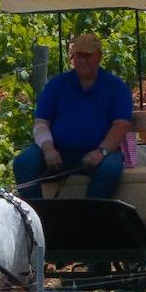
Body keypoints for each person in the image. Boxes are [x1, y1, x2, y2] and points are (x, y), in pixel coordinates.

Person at [13, 32, 133, 200]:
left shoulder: (116, 87)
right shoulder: (57, 84)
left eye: (88, 55)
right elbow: (41, 122)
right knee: (23, 163)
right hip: (57, 150)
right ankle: (38, 217)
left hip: (99, 152)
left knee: (111, 169)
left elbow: (121, 125)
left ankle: (89, 217)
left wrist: (101, 151)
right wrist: (48, 149)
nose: (82, 60)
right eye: (78, 55)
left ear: (99, 56)